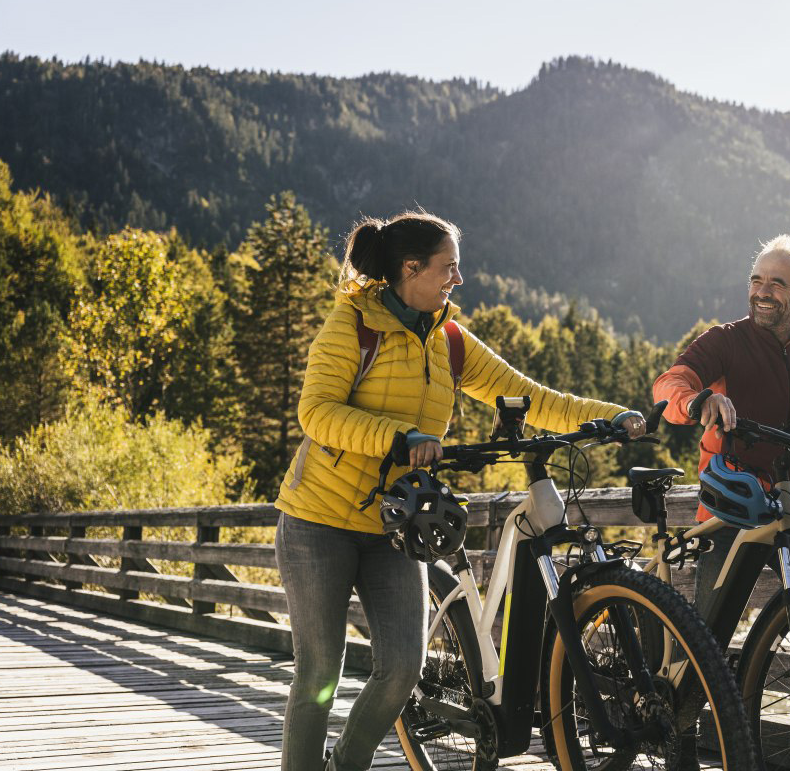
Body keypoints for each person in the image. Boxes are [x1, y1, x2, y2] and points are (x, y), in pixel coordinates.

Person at [273, 210, 646, 771]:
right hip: (318, 522)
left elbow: (526, 394)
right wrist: (398, 439)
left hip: (394, 527)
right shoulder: (354, 324)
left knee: (402, 668)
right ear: (410, 268)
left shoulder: (447, 340)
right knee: (320, 671)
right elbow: (317, 412)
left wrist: (611, 416)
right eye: (449, 267)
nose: (458, 279)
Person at [652, 234, 790, 615]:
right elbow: (668, 385)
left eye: (777, 283)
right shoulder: (725, 341)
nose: (762, 291)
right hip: (730, 506)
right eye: (757, 280)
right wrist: (696, 400)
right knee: (709, 639)